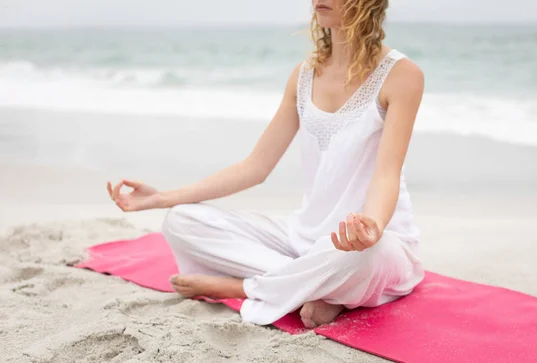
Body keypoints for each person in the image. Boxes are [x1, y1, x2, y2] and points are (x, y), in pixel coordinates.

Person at [106, 0, 425, 329]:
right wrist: (161, 198)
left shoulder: (402, 75)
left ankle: (244, 288)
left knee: (368, 256)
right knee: (181, 221)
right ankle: (310, 290)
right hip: (301, 239)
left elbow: (387, 173)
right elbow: (255, 167)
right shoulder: (304, 76)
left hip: (369, 242)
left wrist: (372, 226)